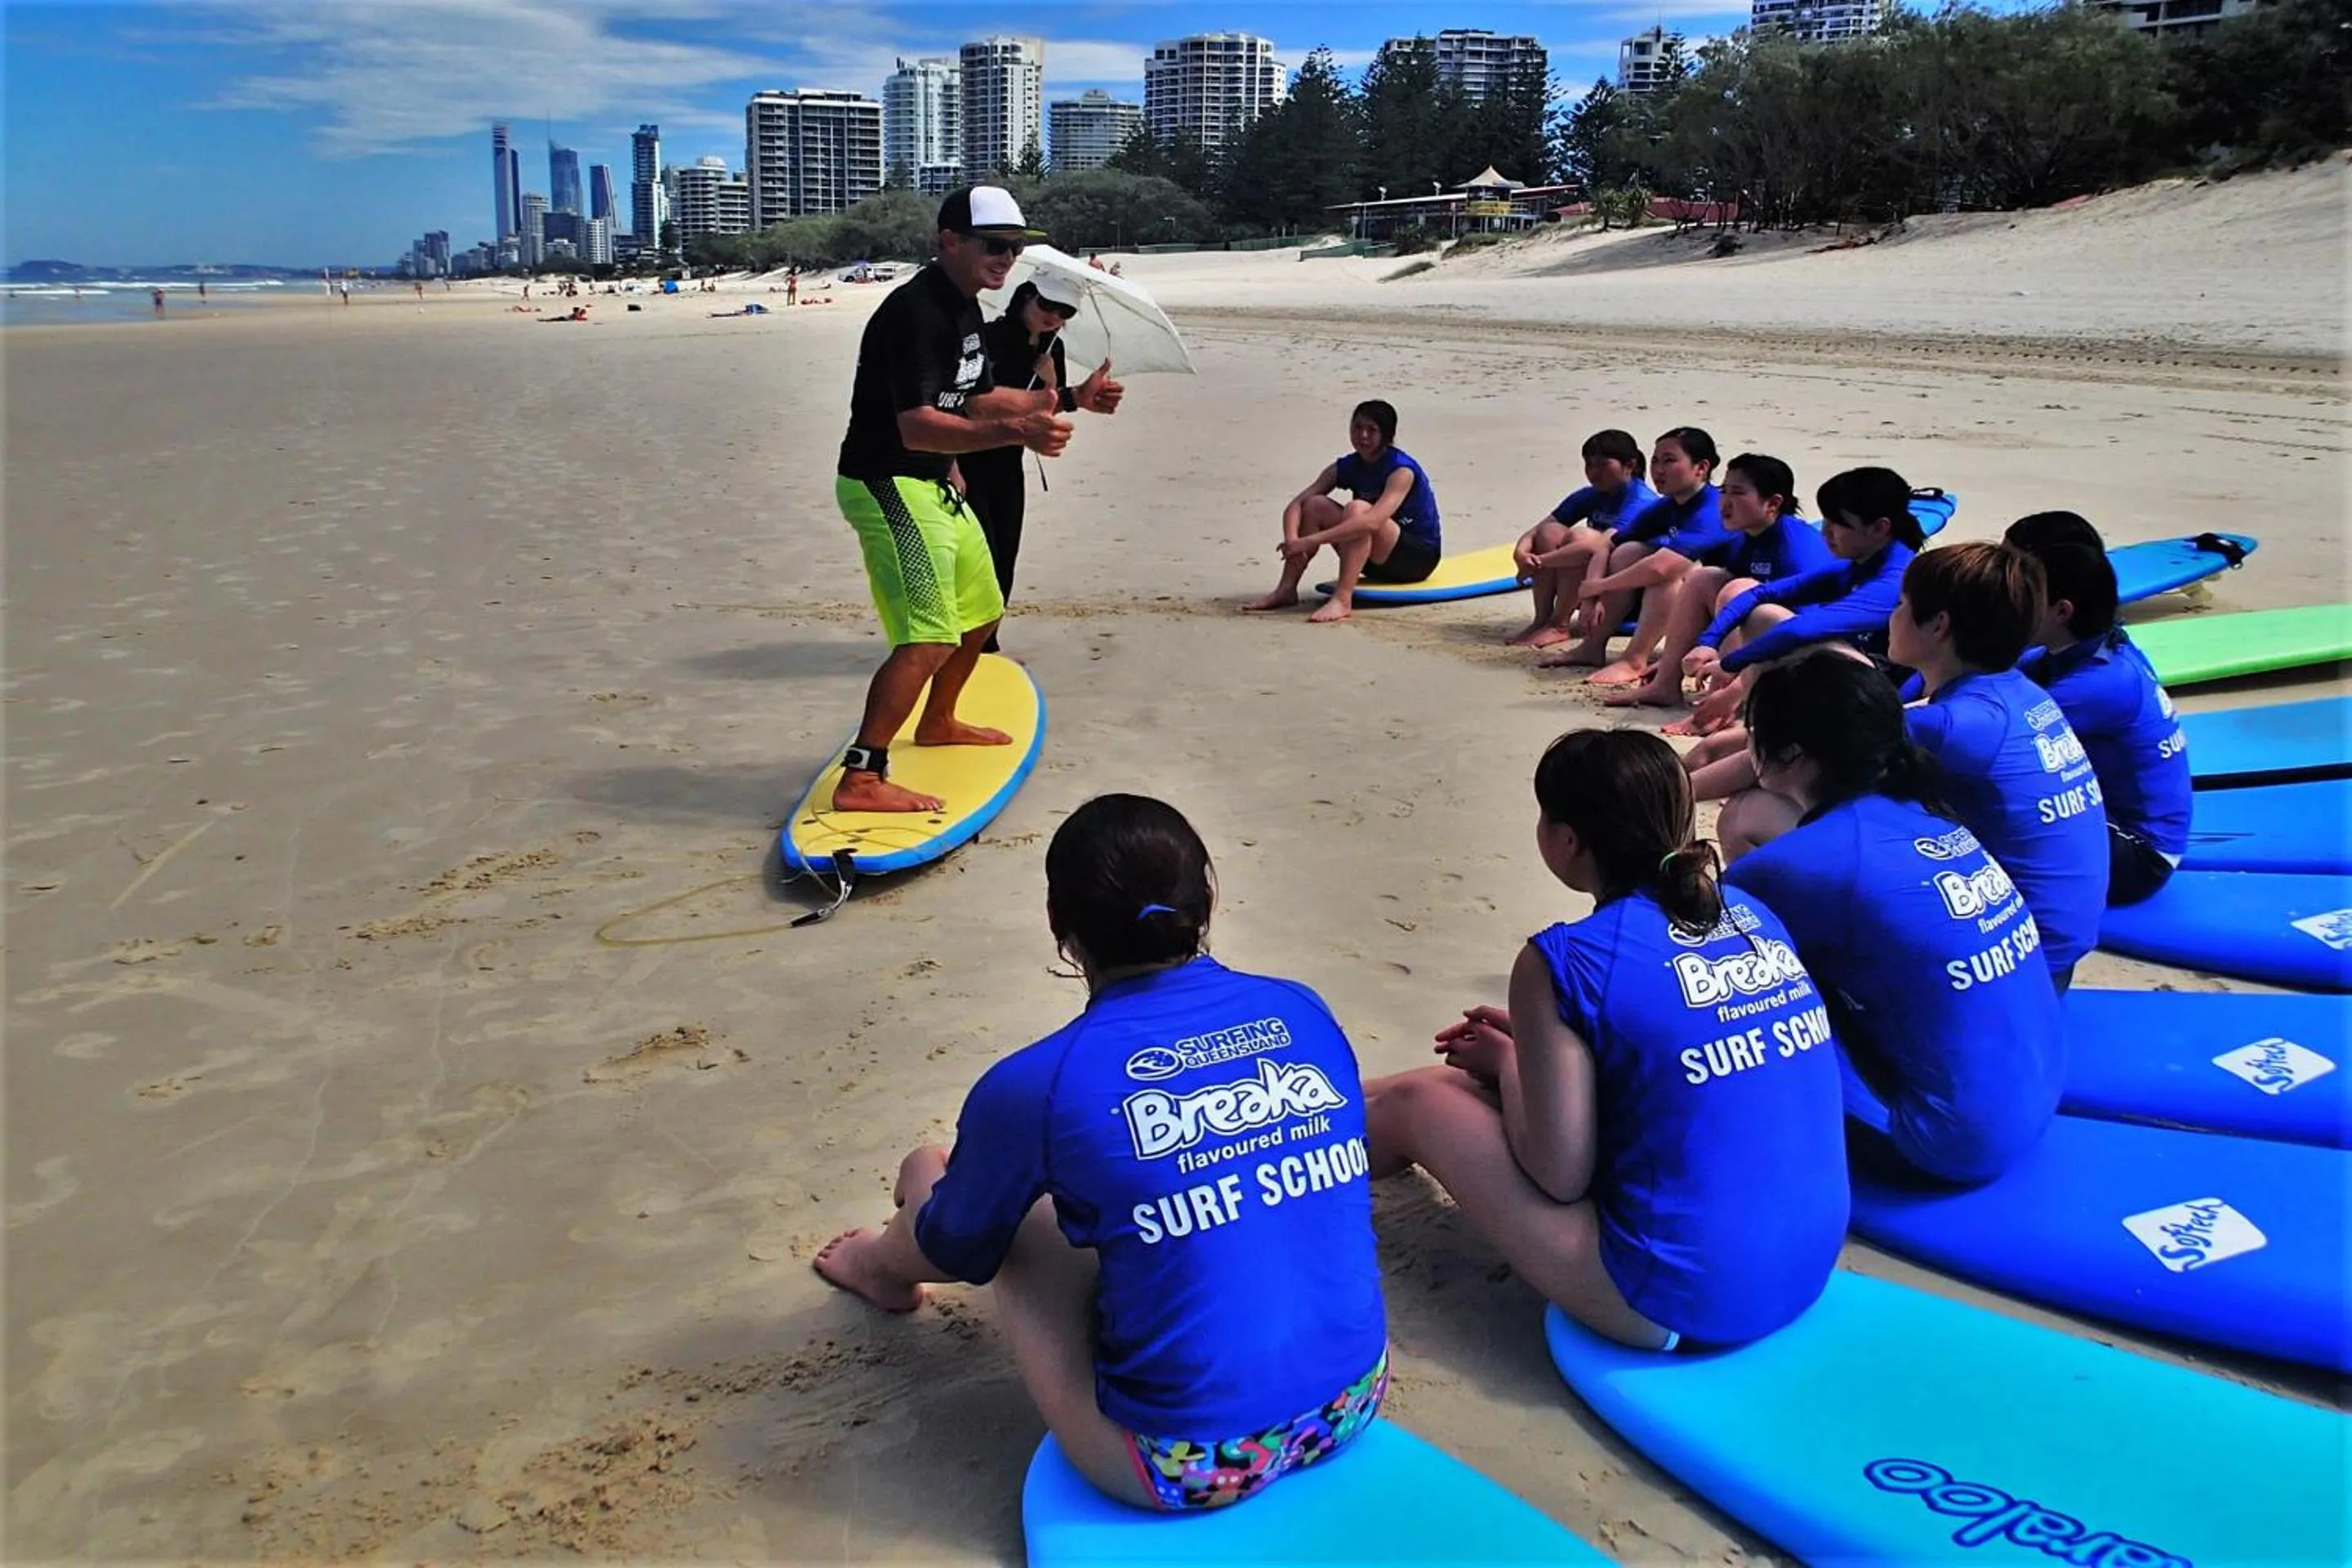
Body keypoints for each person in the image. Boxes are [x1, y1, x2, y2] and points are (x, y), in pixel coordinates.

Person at [815, 795, 1389, 1512]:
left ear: (1060, 923)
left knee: (1021, 1227)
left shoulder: (1038, 1084)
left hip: (1188, 1464)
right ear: (1207, 898)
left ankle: (875, 1266)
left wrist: (922, 1175)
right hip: (1354, 1399)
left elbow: (960, 1253)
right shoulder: (1302, 1008)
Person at [1361, 730, 1848, 1352]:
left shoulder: (1564, 959)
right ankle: (1322, 1117)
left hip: (1676, 1299)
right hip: (1806, 1264)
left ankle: (1290, 1154)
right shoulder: (1751, 914)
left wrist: (1511, 1064)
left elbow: (1558, 1173)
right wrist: (1519, 1062)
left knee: (1419, 1104)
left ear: (1566, 841)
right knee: (1453, 1085)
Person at [1723, 653, 2065, 1184]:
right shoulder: (1929, 814)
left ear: (1788, 752)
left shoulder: (1805, 863)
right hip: (2037, 1096)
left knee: (1736, 1003)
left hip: (1939, 1142)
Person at [831, 185, 1074, 814]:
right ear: (949, 241)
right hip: (887, 481)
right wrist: (1018, 431)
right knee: (929, 636)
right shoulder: (916, 314)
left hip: (934, 481)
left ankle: (938, 720)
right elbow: (915, 425)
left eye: (1017, 247)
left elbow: (976, 398)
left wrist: (1063, 402)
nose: (1008, 258)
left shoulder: (966, 307)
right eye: (995, 245)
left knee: (984, 611)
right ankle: (862, 776)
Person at [1889, 542, 2109, 989]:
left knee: (1767, 811)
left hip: (2016, 963)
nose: (1892, 616)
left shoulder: (1955, 724)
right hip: (2058, 944)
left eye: (1902, 605)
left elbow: (1804, 750)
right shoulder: (2019, 692)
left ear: (1939, 625)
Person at [2005, 514, 2190, 906]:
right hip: (2114, 824)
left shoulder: (2099, 684)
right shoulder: (2076, 649)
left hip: (2140, 857)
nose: (2010, 602)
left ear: (2062, 611)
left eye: (2024, 594)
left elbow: (1986, 734)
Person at [962, 274, 1125, 650]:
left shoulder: (1055, 348)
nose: (1054, 316)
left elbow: (1056, 407)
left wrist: (1054, 382)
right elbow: (972, 403)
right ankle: (966, 643)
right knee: (978, 554)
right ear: (1026, 297)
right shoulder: (988, 338)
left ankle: (986, 642)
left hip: (1008, 461)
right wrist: (1045, 391)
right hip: (967, 456)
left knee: (1005, 553)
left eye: (1065, 311)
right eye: (1047, 305)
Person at [1605, 452, 1830, 720]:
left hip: (1813, 657)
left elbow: (1812, 627)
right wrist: (1683, 655)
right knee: (1705, 577)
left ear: (1773, 503)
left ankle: (1725, 701)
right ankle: (1665, 684)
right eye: (1724, 491)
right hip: (1761, 651)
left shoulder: (1798, 547)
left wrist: (1735, 685)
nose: (1725, 502)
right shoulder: (1740, 539)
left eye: (1737, 493)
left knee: (1738, 590)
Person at [1543, 428, 1730, 683]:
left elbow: (1662, 568)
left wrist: (1599, 585)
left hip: (1726, 604)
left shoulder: (1712, 508)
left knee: (1669, 575)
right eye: (1655, 461)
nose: (1658, 470)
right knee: (1629, 551)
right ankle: (1591, 646)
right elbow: (1606, 544)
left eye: (1669, 461)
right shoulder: (1667, 506)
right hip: (1699, 600)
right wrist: (1590, 598)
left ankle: (1634, 659)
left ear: (1701, 468)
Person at [1242, 400, 1441, 625]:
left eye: (1372, 430)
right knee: (1315, 505)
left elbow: (1372, 523)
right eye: (1357, 427)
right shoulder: (1349, 465)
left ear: (1387, 435)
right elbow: (1297, 504)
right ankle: (1286, 589)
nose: (1363, 435)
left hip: (1415, 560)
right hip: (1369, 557)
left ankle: (1343, 599)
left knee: (1358, 510)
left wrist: (1310, 541)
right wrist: (1292, 542)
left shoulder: (1401, 469)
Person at [1506, 430, 1659, 648]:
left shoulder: (1642, 501)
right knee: (1550, 532)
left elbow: (1596, 548)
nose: (1594, 473)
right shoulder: (1591, 494)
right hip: (1591, 585)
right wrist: (1521, 555)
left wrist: (1539, 562)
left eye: (1603, 465)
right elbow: (1536, 531)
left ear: (1630, 465)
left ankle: (1560, 624)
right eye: (1589, 465)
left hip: (1627, 595)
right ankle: (1542, 620)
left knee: (1581, 536)